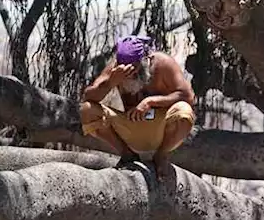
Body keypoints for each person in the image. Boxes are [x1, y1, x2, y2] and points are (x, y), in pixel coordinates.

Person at [80, 35, 196, 172]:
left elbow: (188, 96)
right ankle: (126, 154)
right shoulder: (115, 70)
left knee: (184, 111)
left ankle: (161, 155)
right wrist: (111, 82)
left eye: (134, 71)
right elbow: (88, 96)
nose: (129, 75)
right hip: (131, 128)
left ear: (145, 60)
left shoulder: (163, 63)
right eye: (126, 71)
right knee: (87, 110)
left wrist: (150, 102)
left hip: (161, 129)